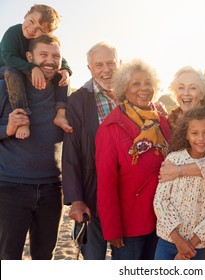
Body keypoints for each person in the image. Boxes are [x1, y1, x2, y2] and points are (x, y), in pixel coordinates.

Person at [95, 59, 171, 260]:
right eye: (136, 83)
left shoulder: (161, 119)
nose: (144, 88)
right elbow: (106, 182)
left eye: (148, 83)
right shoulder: (111, 127)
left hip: (163, 219)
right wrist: (112, 229)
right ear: (123, 88)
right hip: (130, 223)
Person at [0, 35, 64, 260]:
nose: (50, 61)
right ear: (29, 57)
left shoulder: (61, 92)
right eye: (43, 55)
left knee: (45, 256)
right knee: (8, 256)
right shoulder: (6, 87)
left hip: (52, 188)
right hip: (10, 188)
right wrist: (6, 129)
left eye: (56, 56)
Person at [62, 42, 121, 260]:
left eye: (111, 63)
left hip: (125, 194)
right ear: (90, 68)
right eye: (99, 65)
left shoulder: (133, 97)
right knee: (94, 257)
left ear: (120, 64)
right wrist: (76, 199)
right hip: (91, 193)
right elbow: (71, 154)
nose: (106, 70)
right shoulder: (78, 100)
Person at [154, 105, 205, 260]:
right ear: (186, 134)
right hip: (168, 241)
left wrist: (189, 246)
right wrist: (179, 242)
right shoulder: (174, 159)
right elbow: (160, 201)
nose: (200, 138)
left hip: (196, 246)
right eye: (194, 133)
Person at [0, 4, 72, 139]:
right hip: (4, 68)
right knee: (12, 72)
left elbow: (60, 59)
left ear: (47, 34)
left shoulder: (39, 42)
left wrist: (66, 70)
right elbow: (8, 57)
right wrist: (32, 68)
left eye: (40, 29)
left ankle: (61, 114)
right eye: (31, 21)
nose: (32, 29)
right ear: (26, 15)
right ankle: (22, 117)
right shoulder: (14, 32)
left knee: (60, 74)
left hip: (22, 69)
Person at [167, 66, 205, 131]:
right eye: (181, 88)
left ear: (202, 94)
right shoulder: (169, 122)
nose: (186, 93)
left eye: (192, 88)